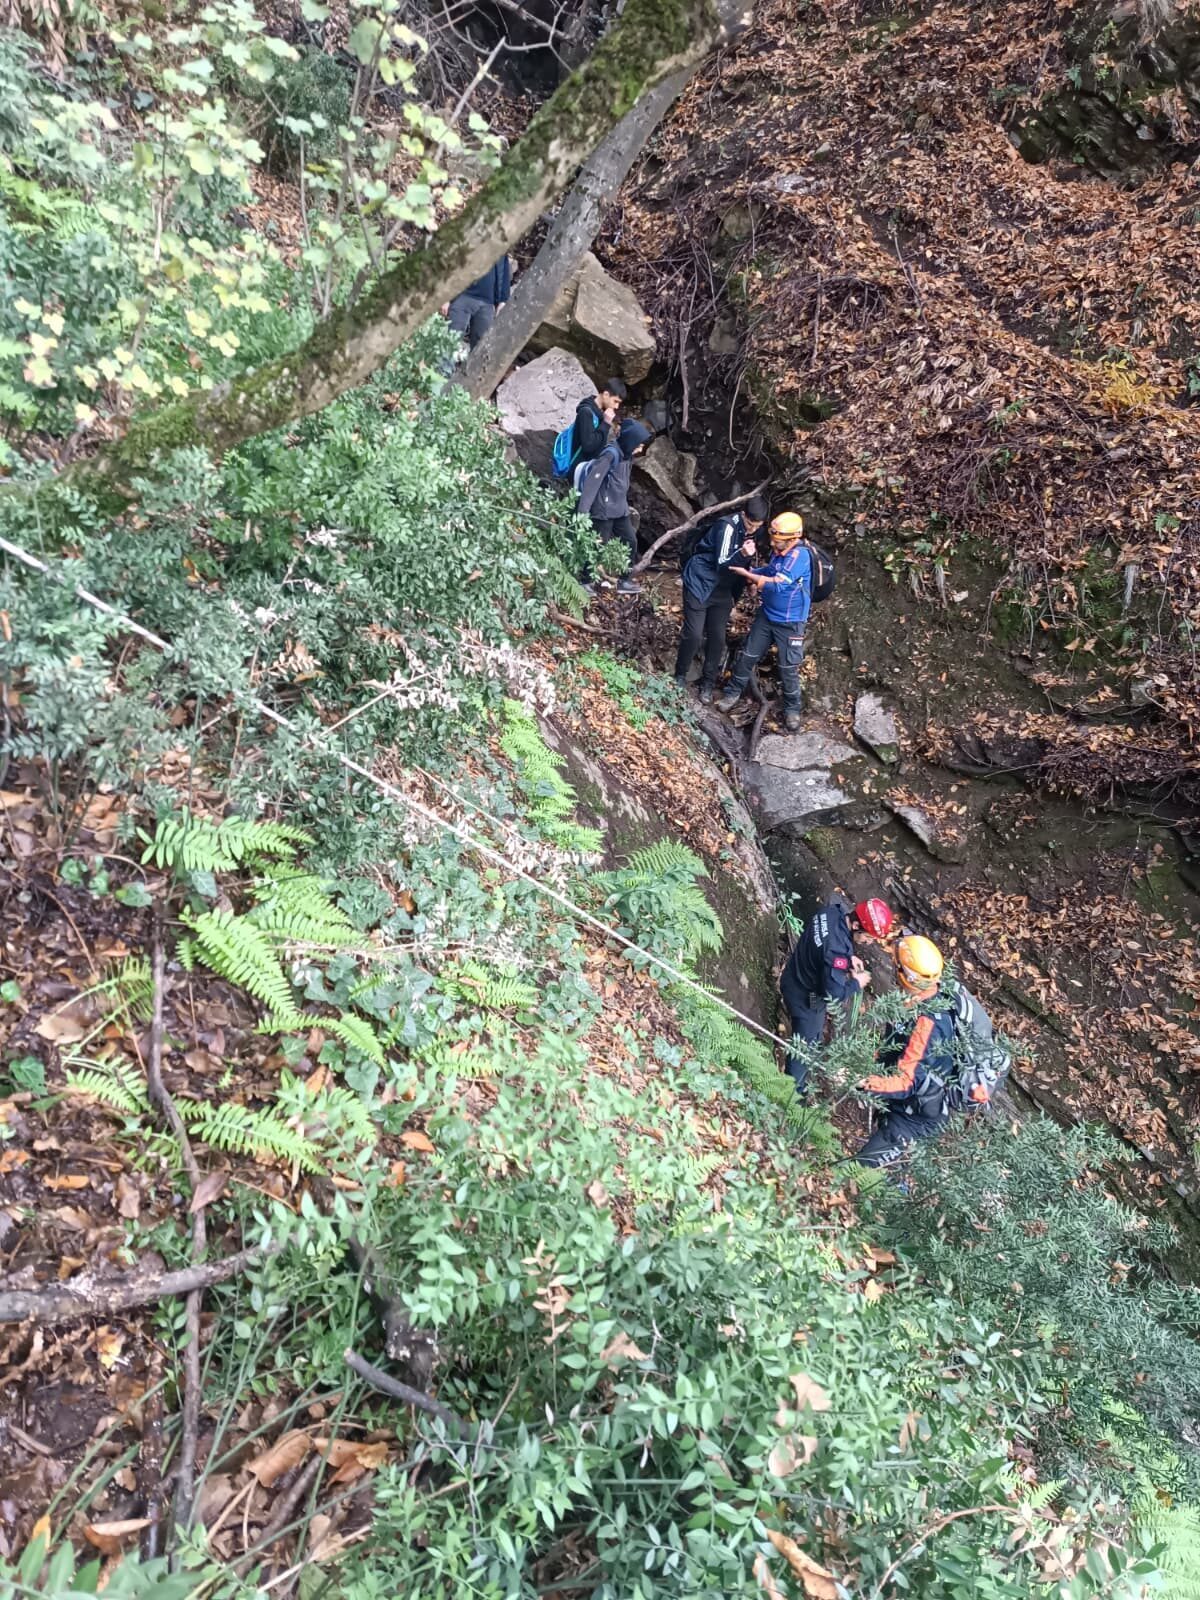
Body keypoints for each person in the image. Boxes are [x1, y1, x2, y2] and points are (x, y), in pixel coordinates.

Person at [855, 935, 956, 1167]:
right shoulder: (918, 1000)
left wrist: (867, 1082)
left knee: (860, 1170)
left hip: (915, 1116)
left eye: (897, 965)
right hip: (901, 1102)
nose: (893, 967)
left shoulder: (928, 1022)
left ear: (905, 974)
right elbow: (894, 1045)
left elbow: (907, 1081)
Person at [779, 896, 893, 1093]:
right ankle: (791, 1094)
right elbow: (833, 994)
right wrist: (856, 983)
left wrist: (848, 959)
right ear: (856, 924)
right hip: (807, 1000)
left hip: (793, 975)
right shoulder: (836, 951)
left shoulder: (832, 912)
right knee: (804, 1049)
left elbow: (824, 946)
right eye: (868, 937)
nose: (867, 942)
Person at [714, 512, 812, 732]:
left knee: (788, 668)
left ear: (792, 538)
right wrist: (750, 573)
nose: (772, 542)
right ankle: (732, 693)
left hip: (790, 622)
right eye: (772, 537)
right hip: (767, 615)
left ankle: (792, 710)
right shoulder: (780, 553)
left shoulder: (800, 557)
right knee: (748, 654)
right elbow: (769, 571)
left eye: (777, 539)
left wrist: (753, 578)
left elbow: (778, 583)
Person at [673, 495, 768, 703]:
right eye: (750, 524)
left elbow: (746, 564)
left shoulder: (755, 532)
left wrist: (749, 583)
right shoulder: (727, 526)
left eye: (757, 526)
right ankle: (680, 675)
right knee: (694, 634)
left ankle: (707, 683)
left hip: (722, 589)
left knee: (717, 637)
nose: (752, 529)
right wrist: (742, 553)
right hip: (701, 580)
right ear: (743, 515)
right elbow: (723, 562)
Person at [577, 418, 651, 596]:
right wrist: (583, 511)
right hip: (603, 510)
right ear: (630, 441)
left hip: (620, 509)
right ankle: (585, 582)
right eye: (639, 445)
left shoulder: (627, 454)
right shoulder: (610, 454)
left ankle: (624, 581)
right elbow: (592, 482)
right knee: (597, 545)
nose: (641, 449)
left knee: (631, 541)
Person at [444, 255, 512, 350]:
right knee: (450, 342)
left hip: (487, 304)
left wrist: (503, 300)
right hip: (462, 297)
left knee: (480, 348)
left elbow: (504, 273)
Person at [575, 379, 627, 464]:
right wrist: (606, 423)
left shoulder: (601, 412)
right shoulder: (586, 412)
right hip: (576, 466)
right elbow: (588, 446)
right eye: (615, 401)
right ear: (606, 395)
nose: (617, 406)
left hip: (586, 465)